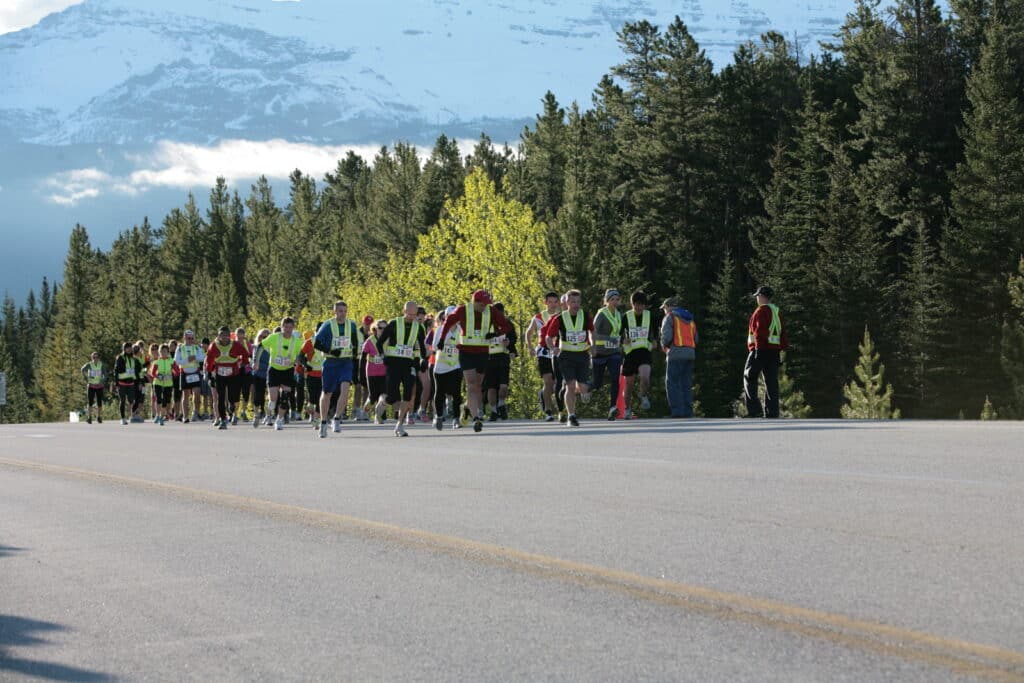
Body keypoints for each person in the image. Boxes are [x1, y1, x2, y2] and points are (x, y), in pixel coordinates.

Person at [437, 289, 514, 433]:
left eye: (487, 304)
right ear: (475, 301)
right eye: (482, 304)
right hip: (466, 352)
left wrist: (496, 332)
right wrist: (442, 339)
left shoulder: (491, 311)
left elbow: (507, 325)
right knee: (471, 384)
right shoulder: (463, 310)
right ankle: (476, 418)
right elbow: (448, 322)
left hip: (483, 353)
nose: (485, 306)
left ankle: (466, 408)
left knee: (478, 386)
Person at [375, 301, 428, 437]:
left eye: (414, 314)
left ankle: (400, 424)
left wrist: (423, 359)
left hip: (408, 364)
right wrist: (382, 356)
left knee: (408, 393)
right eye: (409, 314)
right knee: (393, 396)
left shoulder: (419, 327)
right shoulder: (394, 323)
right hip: (393, 363)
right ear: (404, 311)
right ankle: (383, 402)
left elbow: (422, 347)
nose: (411, 317)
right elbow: (380, 343)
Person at [543, 289, 594, 427]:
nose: (576, 304)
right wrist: (553, 348)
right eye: (573, 302)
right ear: (567, 302)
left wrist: (592, 344)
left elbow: (591, 332)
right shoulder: (559, 318)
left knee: (583, 387)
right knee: (570, 386)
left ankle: (582, 388)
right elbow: (548, 337)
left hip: (582, 355)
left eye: (578, 302)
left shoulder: (586, 315)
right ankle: (571, 416)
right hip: (566, 356)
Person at [313, 301, 363, 439]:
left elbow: (354, 342)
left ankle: (336, 418)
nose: (343, 314)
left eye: (345, 311)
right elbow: (317, 343)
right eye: (340, 311)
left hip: (346, 362)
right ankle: (323, 422)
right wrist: (330, 350)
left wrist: (354, 357)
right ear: (334, 312)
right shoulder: (328, 325)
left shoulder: (351, 325)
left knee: (345, 389)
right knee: (327, 392)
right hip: (331, 362)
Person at [744, 285, 788, 418]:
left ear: (762, 297)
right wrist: (781, 351)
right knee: (771, 382)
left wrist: (757, 349)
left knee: (749, 377)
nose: (757, 298)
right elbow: (783, 334)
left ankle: (754, 410)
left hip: (760, 349)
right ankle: (772, 412)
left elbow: (759, 332)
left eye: (758, 296)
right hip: (774, 351)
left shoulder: (760, 311)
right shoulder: (777, 312)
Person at [525, 291, 563, 422]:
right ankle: (548, 411)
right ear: (545, 302)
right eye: (550, 302)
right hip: (543, 352)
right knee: (548, 382)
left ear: (558, 303)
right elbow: (529, 332)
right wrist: (530, 347)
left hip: (557, 352)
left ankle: (557, 406)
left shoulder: (562, 316)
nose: (553, 305)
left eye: (555, 302)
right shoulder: (539, 317)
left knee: (557, 384)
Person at [260, 317, 304, 431]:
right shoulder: (274, 337)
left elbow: (301, 355)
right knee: (273, 398)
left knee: (285, 397)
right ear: (282, 327)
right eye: (286, 327)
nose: (288, 330)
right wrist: (255, 361)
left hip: (288, 371)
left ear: (293, 328)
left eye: (291, 327)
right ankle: (269, 414)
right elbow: (260, 346)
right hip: (274, 370)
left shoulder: (297, 341)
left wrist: (299, 362)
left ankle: (279, 420)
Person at [205, 326, 250, 430]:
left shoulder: (235, 345)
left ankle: (232, 408)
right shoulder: (213, 346)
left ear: (230, 336)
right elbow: (209, 360)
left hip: (233, 374)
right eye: (222, 335)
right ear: (218, 336)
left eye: (226, 335)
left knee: (232, 397)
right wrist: (209, 373)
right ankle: (223, 419)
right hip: (220, 374)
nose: (224, 338)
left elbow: (245, 354)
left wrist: (243, 364)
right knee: (220, 397)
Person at [621, 291, 656, 419]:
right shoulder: (626, 316)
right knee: (629, 384)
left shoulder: (650, 316)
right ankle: (627, 409)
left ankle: (643, 395)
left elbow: (655, 331)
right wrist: (622, 340)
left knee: (645, 377)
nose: (638, 307)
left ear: (645, 305)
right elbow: (619, 332)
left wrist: (654, 340)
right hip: (630, 353)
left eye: (641, 305)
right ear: (632, 304)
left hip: (644, 352)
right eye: (635, 304)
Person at [661, 298, 698, 418]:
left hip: (676, 353)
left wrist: (664, 346)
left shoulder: (670, 317)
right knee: (686, 383)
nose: (664, 310)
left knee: (672, 383)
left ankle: (677, 412)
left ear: (669, 307)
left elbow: (666, 337)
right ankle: (688, 411)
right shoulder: (689, 318)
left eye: (665, 308)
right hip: (690, 353)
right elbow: (696, 338)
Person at [591, 289, 624, 420]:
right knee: (597, 384)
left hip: (614, 352)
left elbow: (618, 333)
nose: (615, 302)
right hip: (600, 353)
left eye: (617, 299)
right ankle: (580, 389)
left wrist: (622, 340)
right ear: (607, 301)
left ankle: (612, 408)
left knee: (616, 379)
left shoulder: (618, 314)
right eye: (612, 299)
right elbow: (593, 333)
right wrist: (606, 340)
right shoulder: (601, 314)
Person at [431, 306, 463, 430]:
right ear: (445, 317)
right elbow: (434, 347)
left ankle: (456, 419)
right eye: (449, 317)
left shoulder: (461, 330)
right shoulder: (440, 330)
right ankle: (438, 416)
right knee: (439, 393)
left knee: (456, 393)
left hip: (455, 365)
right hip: (441, 366)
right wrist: (446, 342)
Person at [484, 302, 516, 421]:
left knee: (503, 386)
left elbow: (513, 338)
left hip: (503, 357)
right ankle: (493, 411)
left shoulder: (507, 324)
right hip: (489, 358)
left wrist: (509, 343)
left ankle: (501, 404)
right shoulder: (485, 324)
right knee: (491, 387)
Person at [174, 330, 205, 423]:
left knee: (197, 393)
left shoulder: (197, 348)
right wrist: (187, 359)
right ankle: (185, 416)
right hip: (185, 373)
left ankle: (195, 413)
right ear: (184, 338)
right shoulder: (180, 348)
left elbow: (202, 357)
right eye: (188, 338)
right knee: (186, 395)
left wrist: (195, 358)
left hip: (195, 372)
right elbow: (177, 361)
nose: (190, 340)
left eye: (192, 338)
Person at [363, 320, 388, 424]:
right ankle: (368, 404)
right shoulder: (370, 341)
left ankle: (378, 416)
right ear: (375, 329)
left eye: (385, 328)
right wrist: (360, 374)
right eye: (380, 328)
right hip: (371, 372)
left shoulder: (389, 340)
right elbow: (362, 357)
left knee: (385, 394)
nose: (382, 330)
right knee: (373, 396)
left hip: (385, 372)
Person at [113, 342, 142, 425]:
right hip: (122, 383)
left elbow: (137, 372)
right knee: (122, 401)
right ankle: (123, 418)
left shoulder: (134, 359)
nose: (129, 349)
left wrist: (139, 382)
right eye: (127, 348)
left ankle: (130, 415)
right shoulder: (120, 358)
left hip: (131, 383)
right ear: (124, 349)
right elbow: (116, 371)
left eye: (130, 348)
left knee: (131, 400)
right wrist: (116, 383)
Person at [353, 315, 374, 421]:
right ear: (363, 323)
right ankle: (357, 410)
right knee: (357, 386)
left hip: (369, 361)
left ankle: (365, 411)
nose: (368, 326)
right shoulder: (356, 332)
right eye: (366, 324)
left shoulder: (373, 334)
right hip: (357, 361)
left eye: (370, 324)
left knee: (367, 387)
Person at [149, 344, 176, 426]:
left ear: (168, 352)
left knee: (165, 400)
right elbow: (152, 373)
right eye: (161, 351)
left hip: (168, 383)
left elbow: (177, 371)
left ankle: (162, 415)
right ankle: (158, 416)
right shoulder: (157, 361)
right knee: (158, 399)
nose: (163, 353)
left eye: (165, 351)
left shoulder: (171, 361)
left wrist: (171, 375)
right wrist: (159, 376)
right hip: (158, 382)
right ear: (159, 352)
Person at [250, 328, 271, 427]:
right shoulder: (257, 347)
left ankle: (269, 415)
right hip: (259, 374)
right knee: (258, 396)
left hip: (271, 374)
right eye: (262, 336)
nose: (264, 338)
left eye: (266, 336)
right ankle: (256, 415)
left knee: (271, 396)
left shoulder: (273, 347)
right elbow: (255, 362)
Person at [80, 351, 107, 424]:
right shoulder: (89, 364)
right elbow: (82, 369)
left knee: (99, 403)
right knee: (90, 402)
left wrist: (102, 381)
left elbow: (105, 374)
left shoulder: (101, 365)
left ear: (99, 358)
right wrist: (86, 378)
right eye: (94, 357)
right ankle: (89, 417)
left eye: (97, 357)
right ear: (92, 358)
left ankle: (99, 417)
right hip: (91, 385)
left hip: (99, 386)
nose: (95, 358)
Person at [235, 327, 252, 422]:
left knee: (246, 392)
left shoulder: (248, 344)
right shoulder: (232, 344)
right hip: (236, 371)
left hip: (246, 370)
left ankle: (243, 411)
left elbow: (251, 355)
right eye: (239, 336)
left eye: (242, 336)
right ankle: (234, 413)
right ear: (236, 336)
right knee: (235, 393)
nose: (240, 339)